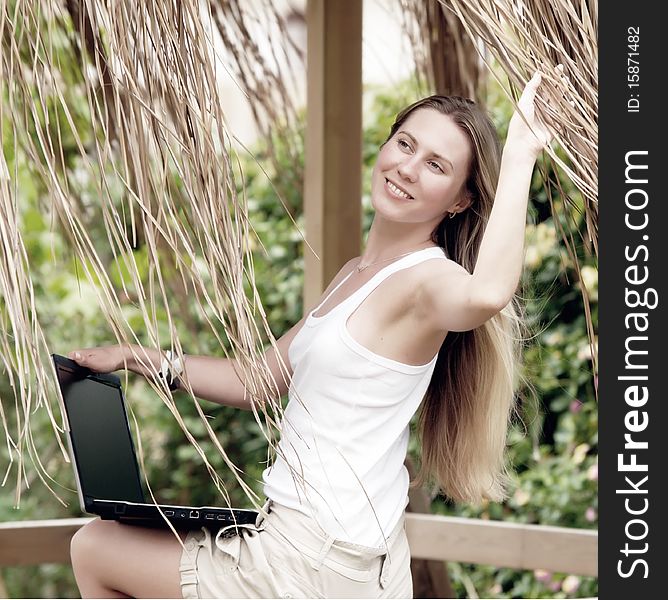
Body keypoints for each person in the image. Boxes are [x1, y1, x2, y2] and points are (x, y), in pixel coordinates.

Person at [67, 71, 556, 599]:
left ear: (459, 201)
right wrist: (137, 358)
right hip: (348, 556)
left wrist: (522, 149)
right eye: (405, 144)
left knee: (94, 548)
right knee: (106, 544)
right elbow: (258, 379)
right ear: (387, 144)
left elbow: (486, 294)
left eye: (436, 166)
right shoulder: (355, 273)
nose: (408, 169)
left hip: (314, 559)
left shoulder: (425, 280)